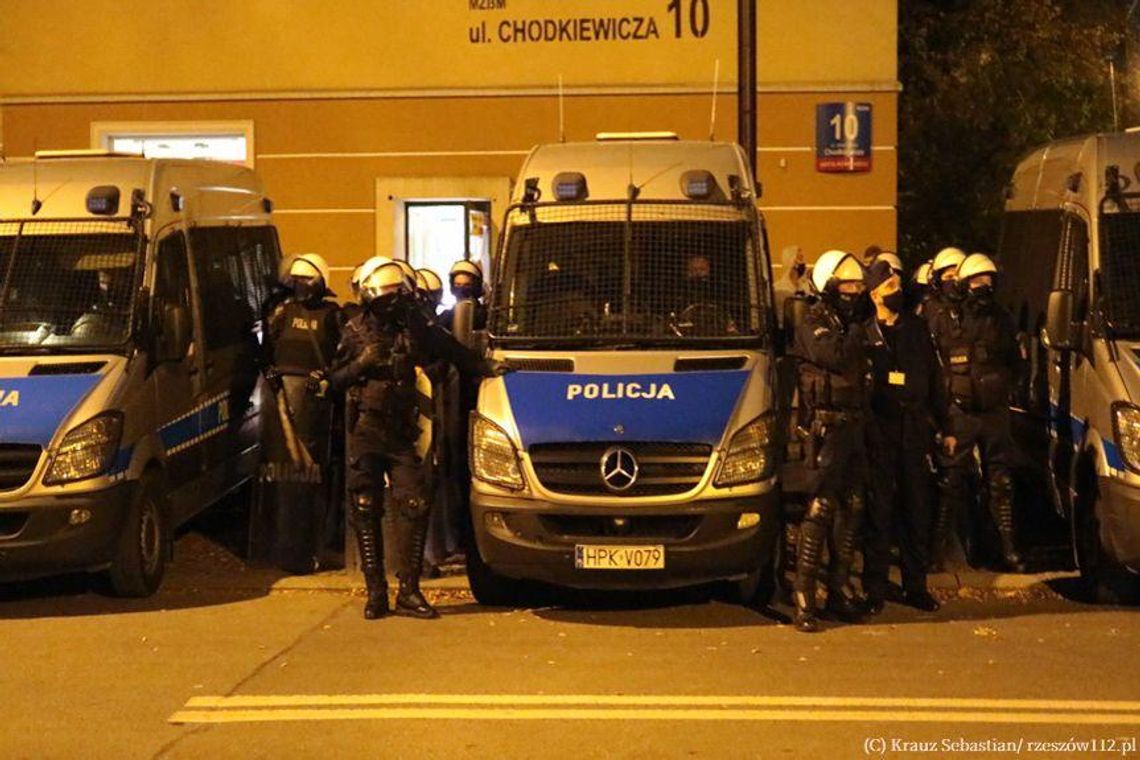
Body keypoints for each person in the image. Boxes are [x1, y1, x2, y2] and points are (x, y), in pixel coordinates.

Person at [327, 260, 507, 620]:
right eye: (387, 292)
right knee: (365, 509)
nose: (393, 299)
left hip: (402, 431)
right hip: (365, 429)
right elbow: (332, 383)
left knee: (416, 503)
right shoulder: (353, 331)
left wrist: (488, 369)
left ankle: (408, 591)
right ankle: (376, 592)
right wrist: (362, 363)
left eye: (398, 292)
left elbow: (450, 349)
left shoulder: (414, 325)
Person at [861, 261, 952, 614]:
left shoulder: (916, 330)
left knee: (916, 511)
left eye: (898, 286)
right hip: (879, 433)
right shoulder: (865, 333)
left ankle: (916, 586)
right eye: (889, 289)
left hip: (914, 432)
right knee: (879, 513)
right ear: (874, 295)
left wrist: (946, 427)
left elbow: (934, 382)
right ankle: (875, 588)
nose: (896, 292)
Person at [928, 253, 1025, 572]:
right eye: (976, 281)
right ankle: (937, 550)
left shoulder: (1002, 318)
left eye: (987, 281)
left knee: (1001, 481)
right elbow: (933, 362)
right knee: (951, 479)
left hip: (994, 411)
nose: (982, 286)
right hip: (960, 410)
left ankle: (1008, 548)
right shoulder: (945, 316)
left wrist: (1001, 387)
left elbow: (1016, 361)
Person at [792, 249, 872, 633]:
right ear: (829, 286)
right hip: (827, 427)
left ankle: (838, 589)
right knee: (821, 507)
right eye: (849, 285)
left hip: (856, 423)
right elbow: (836, 356)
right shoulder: (814, 321)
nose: (856, 292)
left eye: (860, 285)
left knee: (854, 505)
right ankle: (804, 595)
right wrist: (858, 328)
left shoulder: (852, 319)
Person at [261, 253, 343, 574]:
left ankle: (311, 548)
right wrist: (269, 371)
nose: (301, 285)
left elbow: (344, 356)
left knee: (310, 478)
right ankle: (283, 548)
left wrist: (324, 377)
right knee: (282, 477)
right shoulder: (282, 312)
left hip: (315, 410)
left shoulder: (333, 316)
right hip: (281, 403)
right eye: (296, 279)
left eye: (307, 279)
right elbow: (266, 346)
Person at [439, 259, 488, 332]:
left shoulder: (485, 316)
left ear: (475, 287)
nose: (461, 289)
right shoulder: (445, 317)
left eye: (467, 285)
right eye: (457, 284)